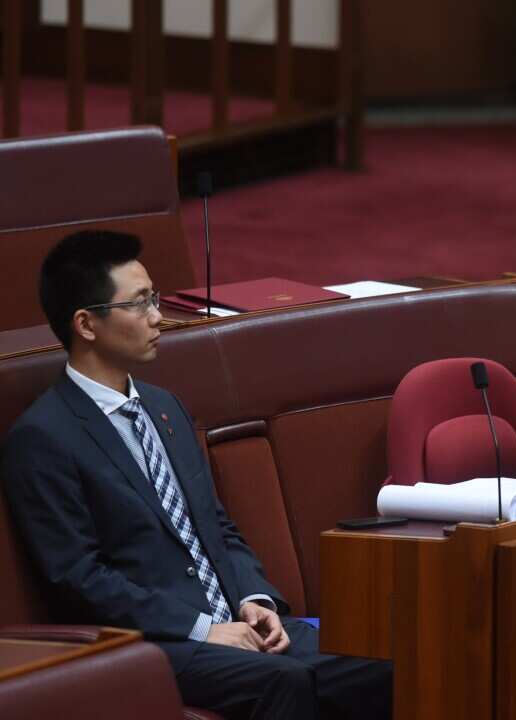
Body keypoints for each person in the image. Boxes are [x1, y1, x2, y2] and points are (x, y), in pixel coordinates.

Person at [2, 230, 391, 720]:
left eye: (155, 298)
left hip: (234, 622)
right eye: (140, 303)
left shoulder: (165, 408)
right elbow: (80, 578)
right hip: (156, 640)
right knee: (285, 681)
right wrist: (200, 627)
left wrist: (254, 599)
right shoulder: (44, 437)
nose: (157, 316)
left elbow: (216, 525)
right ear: (86, 324)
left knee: (386, 663)